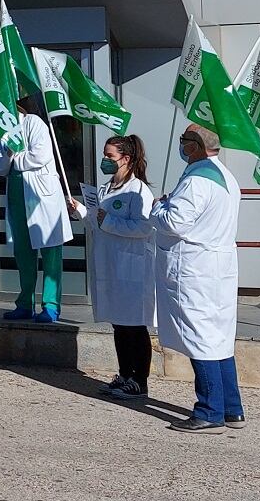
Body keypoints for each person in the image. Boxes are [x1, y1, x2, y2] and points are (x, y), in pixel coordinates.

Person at [152, 124, 245, 432]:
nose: (180, 147)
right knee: (219, 337)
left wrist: (158, 207)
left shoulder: (196, 180)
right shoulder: (227, 177)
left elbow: (175, 223)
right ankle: (232, 409)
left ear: (193, 146)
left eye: (183, 141)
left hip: (195, 268)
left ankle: (209, 411)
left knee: (200, 337)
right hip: (218, 266)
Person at [0, 94, 77, 322]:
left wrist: (14, 159)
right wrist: (9, 155)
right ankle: (24, 303)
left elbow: (40, 156)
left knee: (50, 253)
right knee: (23, 253)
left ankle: (50, 305)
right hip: (18, 194)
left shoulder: (34, 123)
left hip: (42, 196)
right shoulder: (1, 131)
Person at [88, 133, 157, 397]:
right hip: (109, 264)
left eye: (110, 156)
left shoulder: (138, 190)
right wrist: (81, 212)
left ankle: (140, 380)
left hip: (132, 267)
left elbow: (143, 227)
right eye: (104, 155)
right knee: (118, 323)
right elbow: (99, 223)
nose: (105, 160)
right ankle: (124, 373)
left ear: (126, 159)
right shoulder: (106, 188)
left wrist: (108, 222)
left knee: (134, 325)